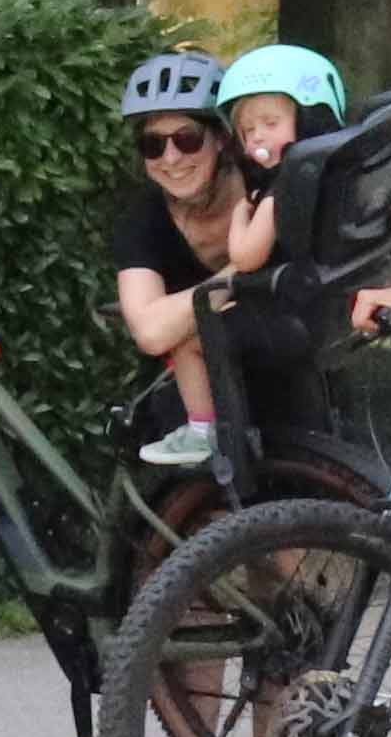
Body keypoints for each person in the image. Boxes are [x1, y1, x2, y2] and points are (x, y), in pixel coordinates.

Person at [107, 46, 306, 472]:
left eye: (187, 139)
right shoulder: (142, 219)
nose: (172, 158)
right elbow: (152, 332)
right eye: (153, 145)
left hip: (287, 384)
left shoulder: (268, 183)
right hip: (193, 403)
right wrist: (240, 273)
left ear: (220, 140)